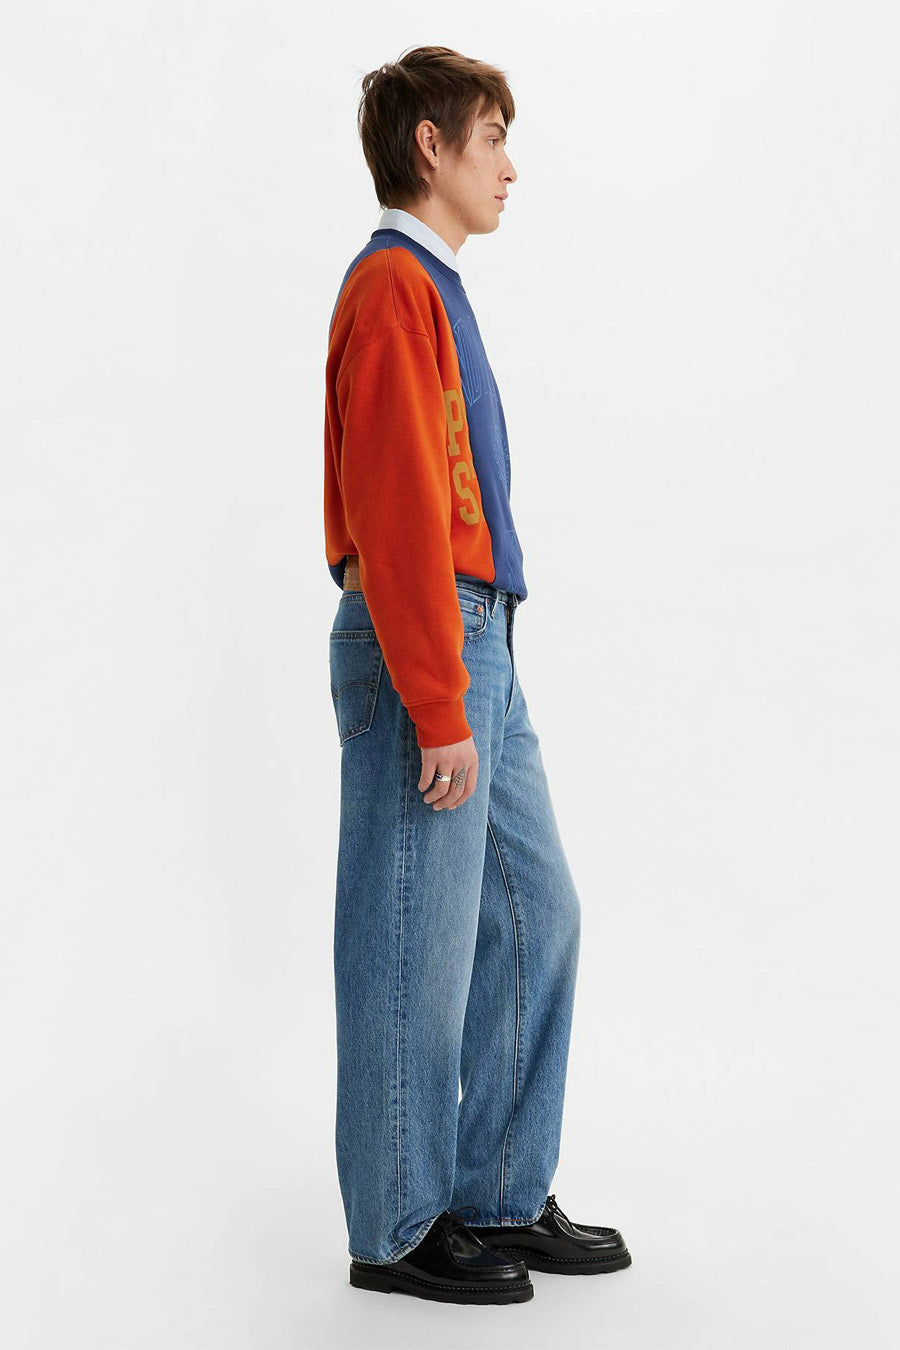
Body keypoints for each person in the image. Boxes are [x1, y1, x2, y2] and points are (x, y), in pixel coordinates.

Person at [322, 45, 631, 1305]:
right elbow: (399, 504)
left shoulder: (433, 287)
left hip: (476, 633)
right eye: (492, 136)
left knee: (536, 909)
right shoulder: (394, 286)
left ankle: (498, 1187)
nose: (509, 165)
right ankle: (397, 1228)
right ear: (430, 146)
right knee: (412, 934)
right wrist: (439, 695)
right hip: (428, 636)